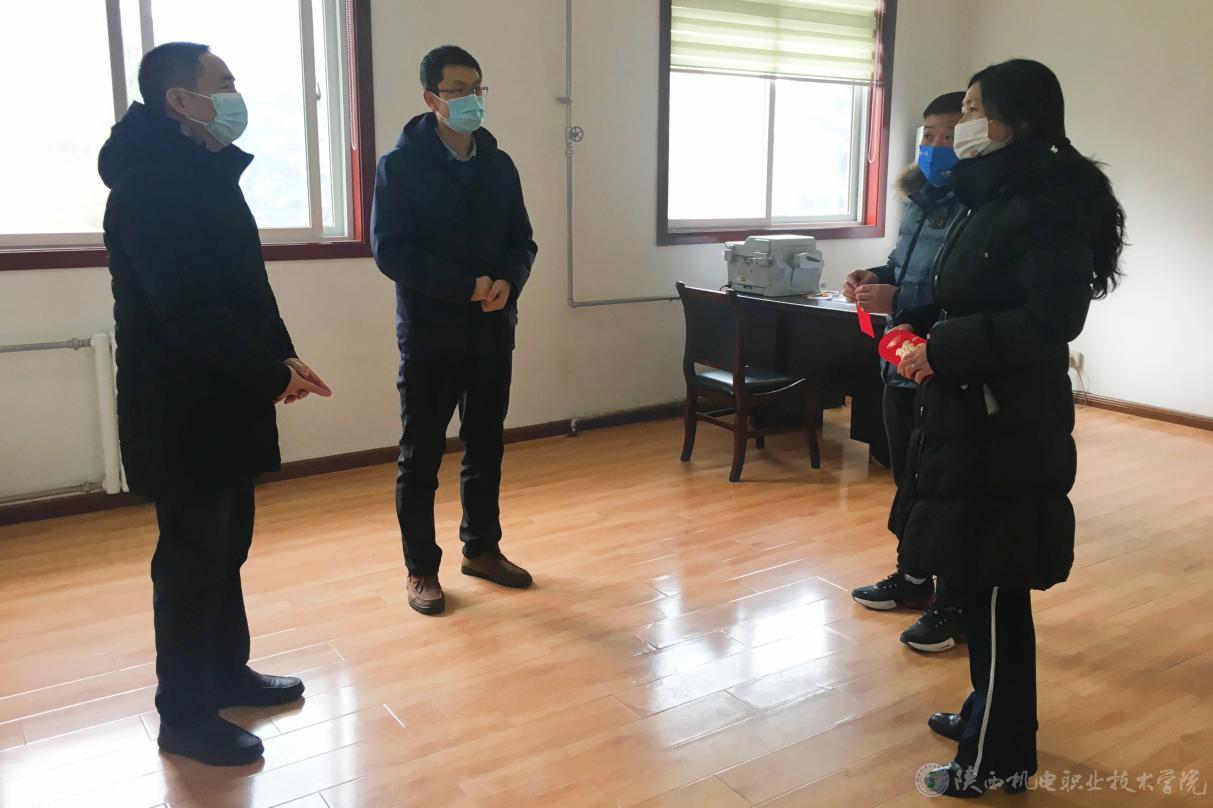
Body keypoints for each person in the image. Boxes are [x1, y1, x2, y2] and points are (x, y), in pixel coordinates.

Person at [889, 60, 1125, 798]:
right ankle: (984, 717)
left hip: (1006, 424)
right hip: (970, 414)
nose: (960, 123)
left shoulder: (1043, 202)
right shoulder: (988, 195)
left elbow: (1052, 318)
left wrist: (944, 349)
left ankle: (996, 757)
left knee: (994, 589)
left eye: (970, 109)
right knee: (974, 577)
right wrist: (911, 315)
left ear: (1014, 121)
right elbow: (970, 297)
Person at [99, 42, 332, 766]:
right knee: (191, 561)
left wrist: (282, 358)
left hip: (224, 394)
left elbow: (244, 288)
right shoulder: (150, 185)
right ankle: (185, 715)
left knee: (227, 546)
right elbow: (188, 311)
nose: (235, 95)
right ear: (180, 100)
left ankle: (227, 671)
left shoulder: (201, 171)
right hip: (181, 408)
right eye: (222, 83)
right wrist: (266, 372)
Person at [371, 45, 537, 616]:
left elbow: (522, 241)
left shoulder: (499, 164)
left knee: (486, 446)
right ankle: (421, 568)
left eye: (477, 89)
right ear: (432, 98)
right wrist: (465, 286)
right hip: (431, 334)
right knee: (420, 457)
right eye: (459, 90)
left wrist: (508, 281)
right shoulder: (400, 166)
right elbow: (391, 251)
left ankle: (482, 549)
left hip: (492, 329)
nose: (472, 100)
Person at [845, 92, 968, 653]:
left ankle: (954, 602)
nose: (935, 147)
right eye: (928, 136)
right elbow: (902, 266)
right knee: (908, 480)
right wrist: (874, 278)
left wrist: (901, 298)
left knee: (945, 488)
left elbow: (962, 294)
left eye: (949, 136)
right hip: (898, 361)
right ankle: (914, 577)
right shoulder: (918, 200)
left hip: (942, 363)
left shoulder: (976, 207)